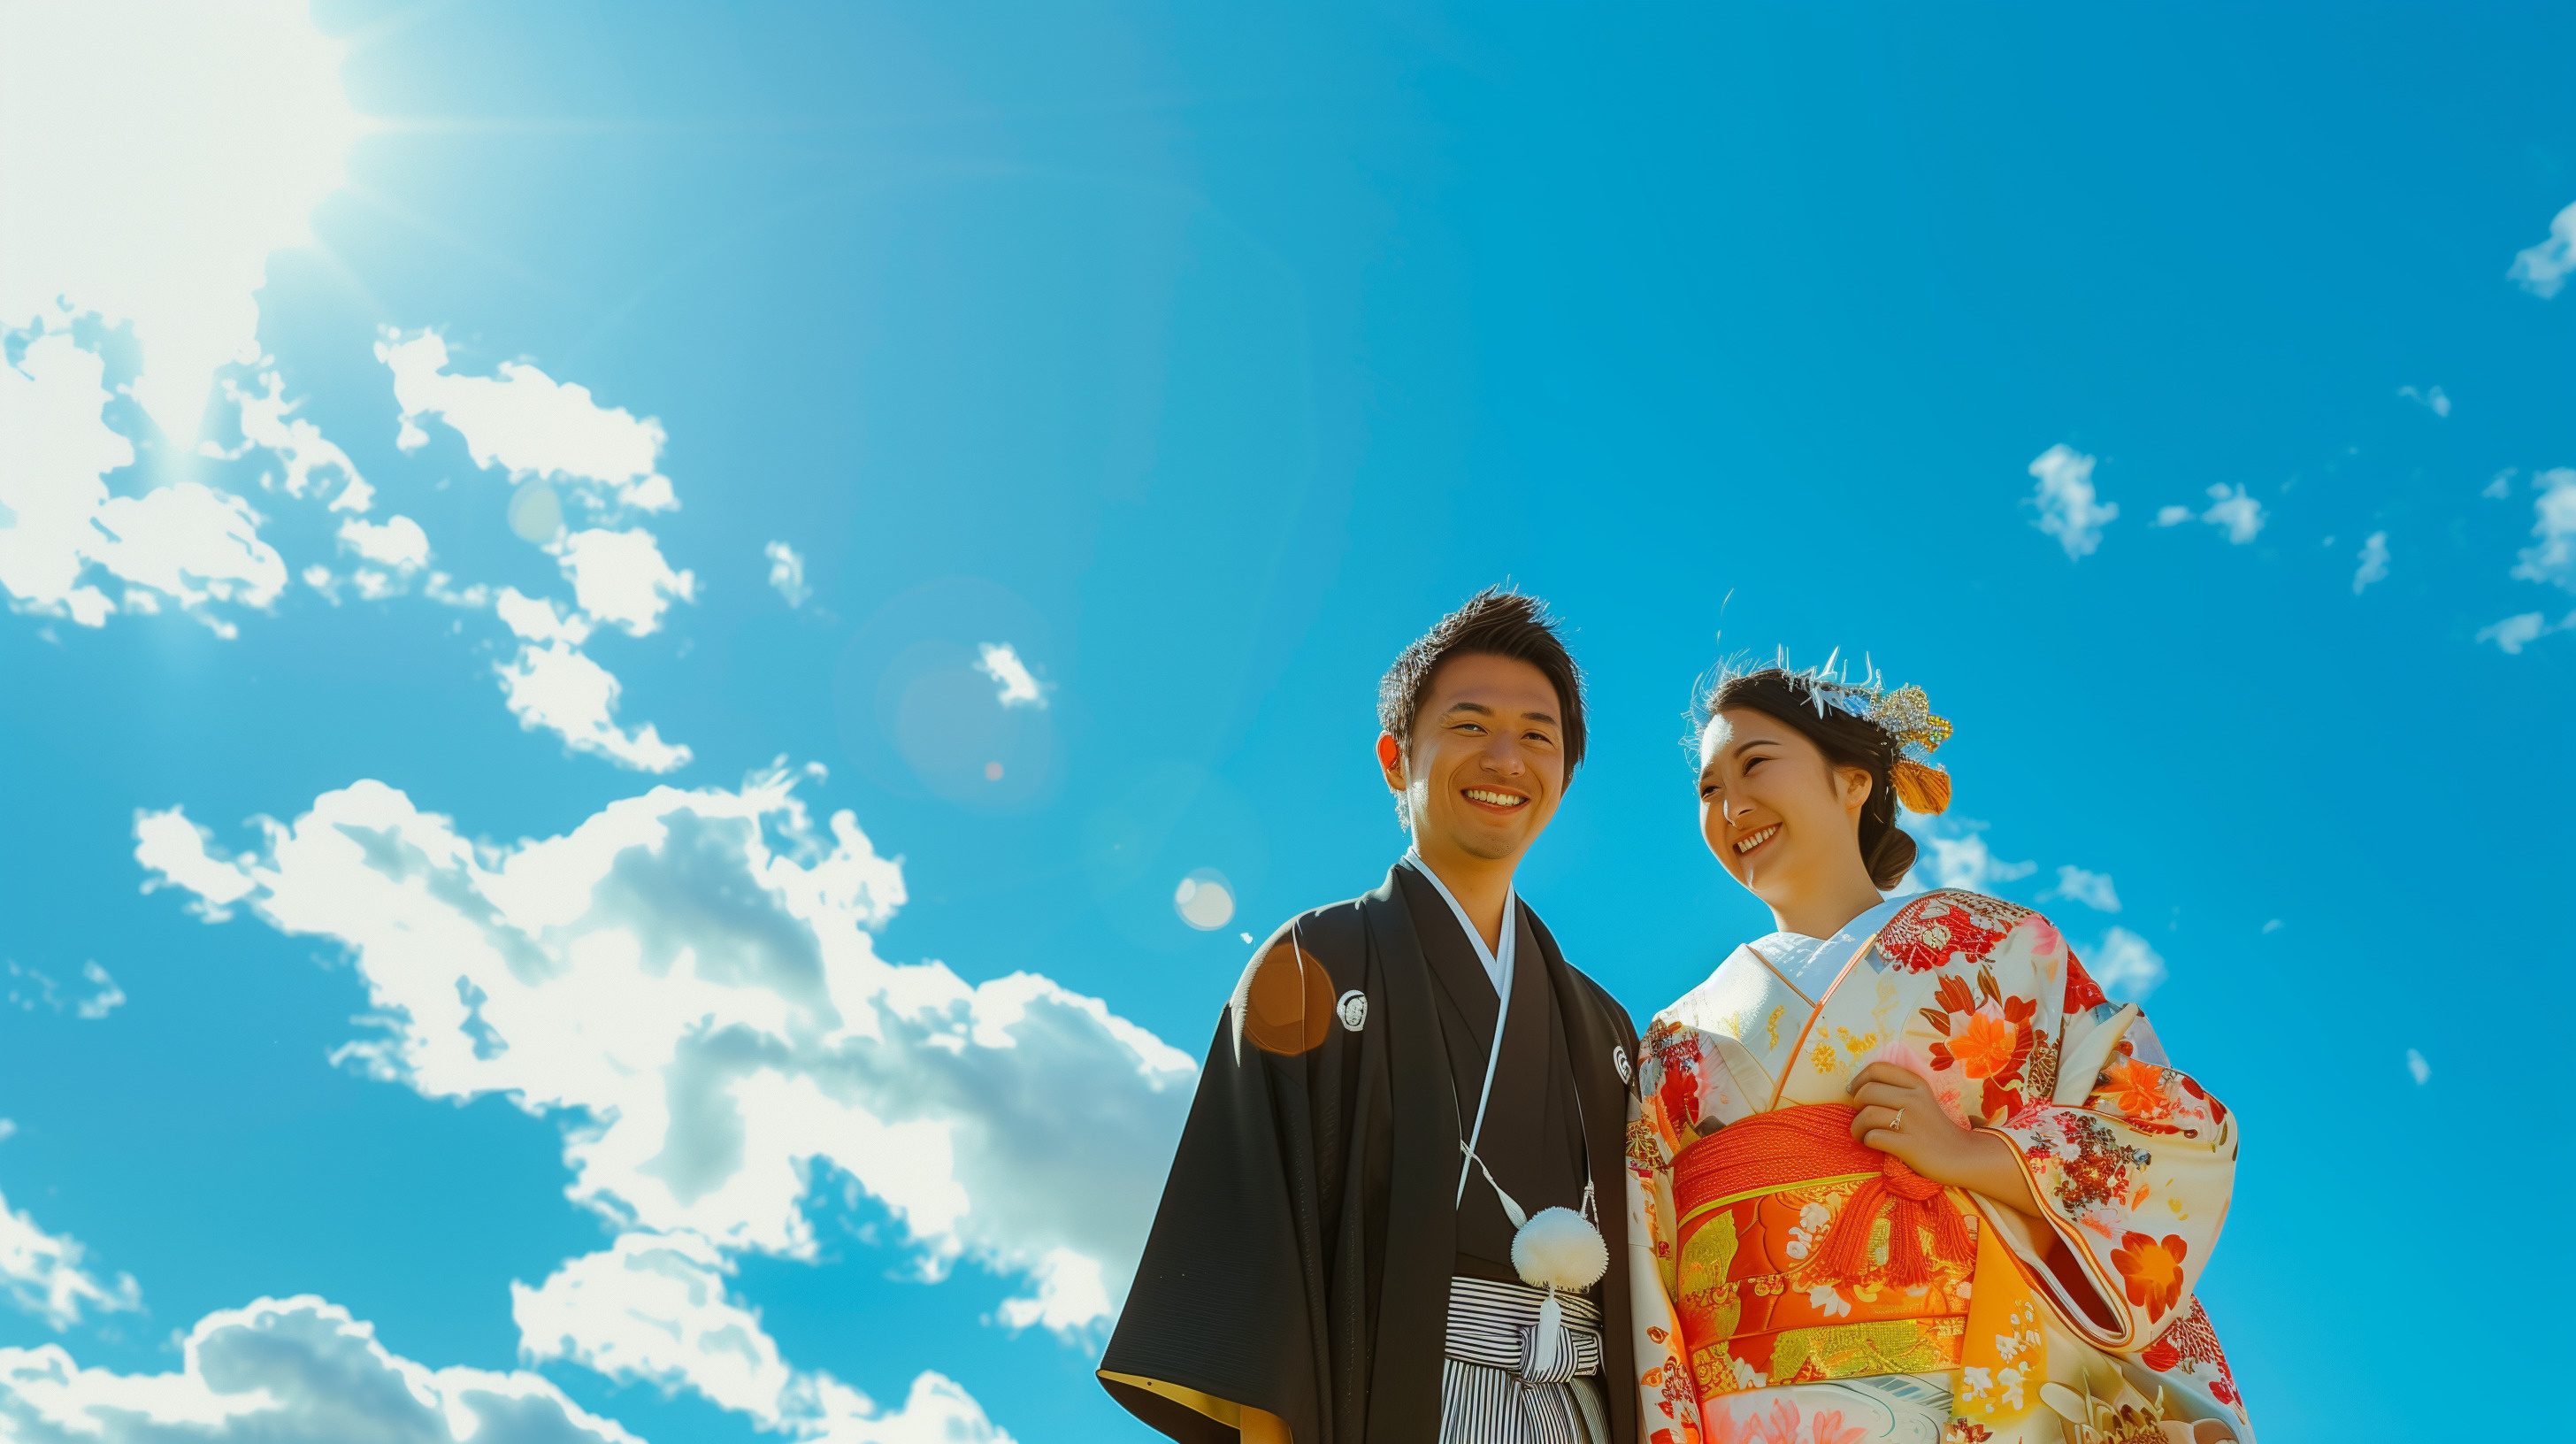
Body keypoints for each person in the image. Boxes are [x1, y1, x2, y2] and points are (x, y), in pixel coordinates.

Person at [1629, 664, 2253, 1444]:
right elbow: (1647, 1248)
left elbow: (2165, 1124)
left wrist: (1976, 1152)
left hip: (1975, 1378)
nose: (1730, 805)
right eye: (1708, 789)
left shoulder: (2004, 947)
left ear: (1852, 781)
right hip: (1753, 1409)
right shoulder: (1677, 1035)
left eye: (1754, 764)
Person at [1100, 588, 1644, 1444]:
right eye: (1469, 726)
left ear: (1565, 775)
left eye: (1538, 736)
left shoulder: (1605, 1027)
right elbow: (1248, 1256)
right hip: (1397, 1402)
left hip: (1582, 1409)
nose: (1507, 758)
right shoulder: (1314, 967)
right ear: (1397, 759)